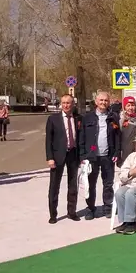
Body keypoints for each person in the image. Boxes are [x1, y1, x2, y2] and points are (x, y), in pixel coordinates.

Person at [79, 90, 120, 219]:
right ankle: (90, 208)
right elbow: (82, 137)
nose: (103, 102)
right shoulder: (87, 118)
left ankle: (108, 207)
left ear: (109, 102)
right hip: (91, 156)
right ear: (96, 102)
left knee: (108, 183)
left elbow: (117, 136)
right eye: (101, 100)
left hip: (108, 155)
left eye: (106, 100)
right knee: (90, 183)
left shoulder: (113, 117)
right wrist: (82, 156)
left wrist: (117, 152)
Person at [45, 94, 80, 224]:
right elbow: (48, 140)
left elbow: (80, 137)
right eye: (64, 103)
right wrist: (50, 158)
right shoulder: (53, 119)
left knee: (72, 185)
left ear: (73, 104)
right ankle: (53, 214)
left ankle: (72, 212)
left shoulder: (77, 118)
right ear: (61, 104)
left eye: (68, 103)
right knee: (54, 186)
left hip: (73, 154)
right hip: (57, 156)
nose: (66, 105)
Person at [118, 96, 136, 168]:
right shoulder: (121, 119)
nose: (130, 108)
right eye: (128, 105)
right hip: (125, 152)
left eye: (132, 105)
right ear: (124, 107)